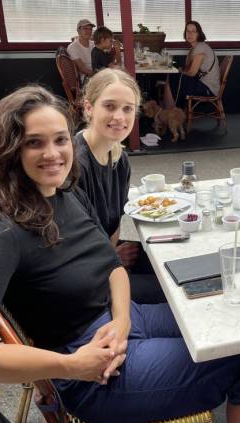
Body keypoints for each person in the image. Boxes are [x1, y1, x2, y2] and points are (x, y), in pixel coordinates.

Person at [0, 86, 240, 423]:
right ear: (9, 151)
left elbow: (113, 268)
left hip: (124, 320)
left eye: (60, 140)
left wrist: (120, 321)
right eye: (34, 143)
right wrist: (71, 366)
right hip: (91, 370)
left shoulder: (63, 194)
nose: (53, 154)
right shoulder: (2, 232)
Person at [75, 68, 164, 304]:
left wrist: (113, 251)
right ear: (89, 108)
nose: (120, 117)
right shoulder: (75, 165)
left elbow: (114, 223)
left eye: (128, 108)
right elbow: (68, 245)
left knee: (176, 268)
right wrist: (112, 259)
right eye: (110, 106)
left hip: (105, 257)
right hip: (86, 278)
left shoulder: (119, 158)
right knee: (173, 291)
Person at [163, 21, 220, 109]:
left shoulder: (200, 48)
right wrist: (181, 71)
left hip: (208, 89)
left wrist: (180, 71)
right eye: (187, 31)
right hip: (203, 84)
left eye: (193, 31)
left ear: (199, 34)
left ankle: (171, 113)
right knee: (173, 77)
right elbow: (187, 69)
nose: (190, 34)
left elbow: (192, 73)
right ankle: (172, 113)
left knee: (174, 77)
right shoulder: (194, 48)